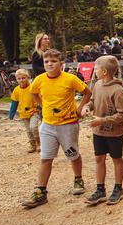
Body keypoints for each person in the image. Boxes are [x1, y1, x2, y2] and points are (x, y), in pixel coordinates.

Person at [22, 49, 92, 208]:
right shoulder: (39, 80)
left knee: (72, 154)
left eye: (53, 61)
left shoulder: (70, 79)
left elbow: (87, 92)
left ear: (61, 64)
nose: (49, 64)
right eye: (46, 61)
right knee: (45, 158)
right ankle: (41, 192)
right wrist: (42, 105)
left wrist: (79, 109)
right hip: (47, 125)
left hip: (68, 125)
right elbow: (33, 93)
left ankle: (78, 179)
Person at [82, 55, 123, 205]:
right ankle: (100, 189)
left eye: (96, 68)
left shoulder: (118, 90)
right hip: (98, 131)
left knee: (116, 159)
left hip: (114, 132)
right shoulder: (97, 85)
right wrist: (87, 107)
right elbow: (93, 101)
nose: (94, 71)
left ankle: (118, 188)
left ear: (104, 71)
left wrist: (102, 120)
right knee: (99, 159)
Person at [8, 69, 41, 153]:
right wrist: (11, 114)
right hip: (23, 113)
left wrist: (40, 109)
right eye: (19, 78)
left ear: (28, 78)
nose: (21, 80)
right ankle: (32, 145)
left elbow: (40, 99)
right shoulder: (16, 90)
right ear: (16, 79)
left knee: (33, 127)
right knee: (28, 130)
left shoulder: (32, 87)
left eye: (23, 78)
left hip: (34, 111)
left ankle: (38, 144)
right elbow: (14, 103)